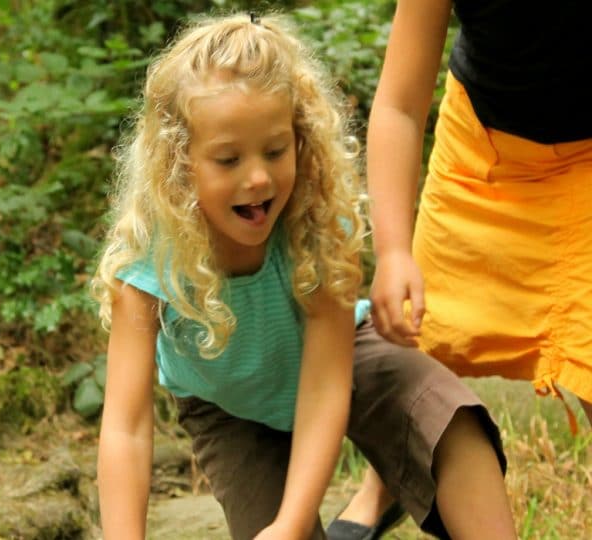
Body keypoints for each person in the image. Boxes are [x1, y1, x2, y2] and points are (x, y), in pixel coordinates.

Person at [91, 12, 516, 540]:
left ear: (301, 139)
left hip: (340, 361)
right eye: (227, 159)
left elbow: (325, 384)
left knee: (453, 422)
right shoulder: (148, 261)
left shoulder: (317, 220)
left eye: (275, 150)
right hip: (229, 408)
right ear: (180, 165)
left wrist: (292, 522)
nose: (259, 177)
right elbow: (126, 429)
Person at [335, 0, 592, 538]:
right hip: (482, 156)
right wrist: (395, 252)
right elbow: (399, 106)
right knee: (419, 341)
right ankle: (384, 485)